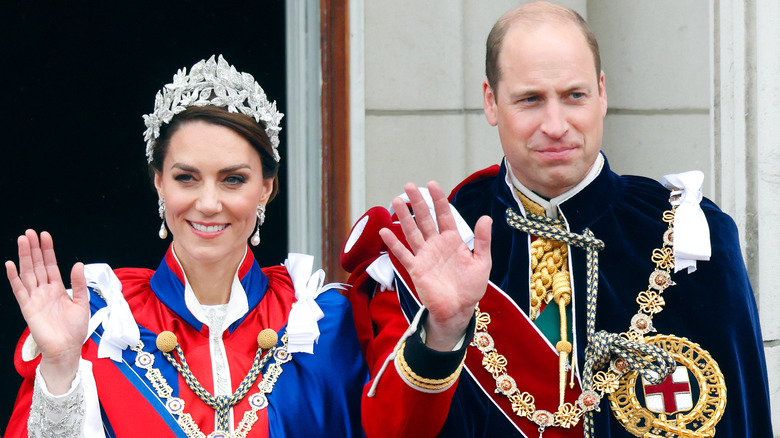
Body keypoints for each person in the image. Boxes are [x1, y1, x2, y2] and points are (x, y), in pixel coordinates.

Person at [341, 2, 773, 437]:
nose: (555, 125)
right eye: (530, 99)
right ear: (491, 102)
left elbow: (743, 416)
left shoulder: (688, 237)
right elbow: (392, 430)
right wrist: (442, 330)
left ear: (602, 93)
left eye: (574, 96)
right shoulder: (441, 240)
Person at [5, 55, 367, 437]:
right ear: (160, 183)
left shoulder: (320, 324)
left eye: (232, 179)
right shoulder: (99, 326)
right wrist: (61, 365)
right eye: (187, 178)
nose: (209, 204)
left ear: (266, 188)